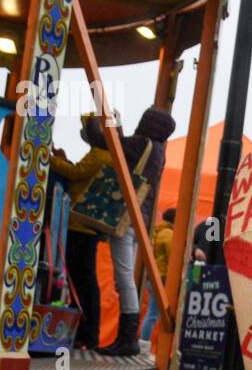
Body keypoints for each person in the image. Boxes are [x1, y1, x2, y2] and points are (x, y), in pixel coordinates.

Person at [102, 106, 176, 356]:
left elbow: (112, 144)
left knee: (123, 279)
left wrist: (109, 123)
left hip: (125, 216)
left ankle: (127, 339)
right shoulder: (158, 151)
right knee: (126, 278)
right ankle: (127, 338)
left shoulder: (140, 143)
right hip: (140, 219)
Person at [50, 117, 111, 349]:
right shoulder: (104, 154)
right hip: (87, 226)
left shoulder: (99, 154)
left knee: (82, 279)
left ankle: (87, 333)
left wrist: (50, 159)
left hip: (80, 225)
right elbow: (80, 173)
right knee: (83, 279)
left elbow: (74, 174)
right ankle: (86, 333)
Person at [140, 207, 176, 347]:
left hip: (154, 278)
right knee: (154, 314)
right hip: (163, 279)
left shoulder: (158, 231)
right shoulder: (169, 234)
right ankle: (145, 345)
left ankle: (144, 344)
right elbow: (173, 257)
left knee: (152, 313)